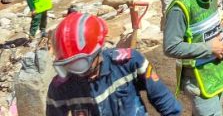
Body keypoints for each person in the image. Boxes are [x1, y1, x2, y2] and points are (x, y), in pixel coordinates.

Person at [47, 12, 182, 116]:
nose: (75, 71)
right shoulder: (60, 88)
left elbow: (164, 101)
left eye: (78, 64)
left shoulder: (128, 62)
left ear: (98, 51)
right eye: (67, 65)